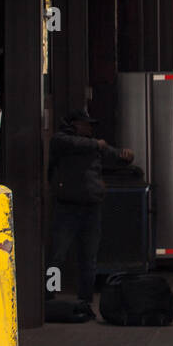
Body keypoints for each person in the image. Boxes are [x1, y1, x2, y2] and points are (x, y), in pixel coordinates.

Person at [46, 109, 134, 319]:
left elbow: (114, 155)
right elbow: (70, 143)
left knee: (89, 257)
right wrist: (97, 145)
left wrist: (126, 156)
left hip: (91, 207)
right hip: (67, 206)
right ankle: (49, 296)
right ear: (74, 124)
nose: (89, 128)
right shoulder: (62, 141)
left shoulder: (92, 144)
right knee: (57, 255)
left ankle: (85, 300)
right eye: (85, 124)